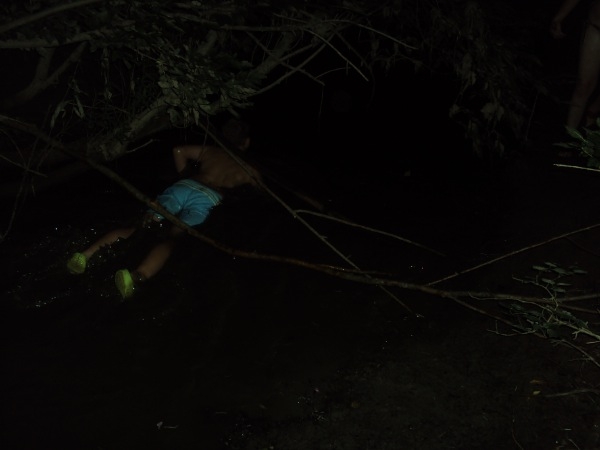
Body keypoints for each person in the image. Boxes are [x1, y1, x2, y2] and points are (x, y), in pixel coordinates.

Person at [66, 118, 262, 299]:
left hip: (184, 186)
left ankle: (84, 256)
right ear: (246, 142)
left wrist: (183, 177)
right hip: (208, 198)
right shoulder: (249, 170)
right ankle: (136, 276)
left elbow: (179, 150)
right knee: (172, 238)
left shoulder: (211, 151)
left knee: (140, 226)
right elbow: (259, 193)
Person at [551, 0, 600, 129]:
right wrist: (559, 17)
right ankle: (570, 135)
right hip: (596, 27)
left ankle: (594, 110)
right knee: (583, 85)